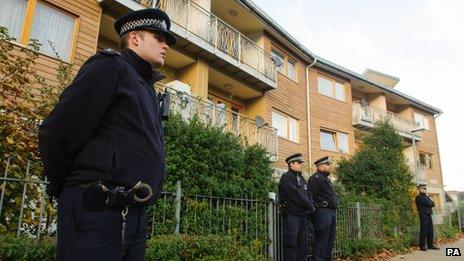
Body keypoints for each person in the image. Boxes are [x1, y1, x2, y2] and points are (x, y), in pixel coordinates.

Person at [38, 8, 176, 260]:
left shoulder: (145, 88)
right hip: (96, 211)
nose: (166, 45)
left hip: (133, 216)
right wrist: (67, 188)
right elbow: (57, 131)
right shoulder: (110, 67)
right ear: (135, 38)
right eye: (159, 38)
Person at [279, 153, 315, 261]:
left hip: (303, 216)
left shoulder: (302, 178)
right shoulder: (286, 177)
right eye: (298, 163)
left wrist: (311, 204)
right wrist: (309, 205)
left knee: (302, 245)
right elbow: (295, 194)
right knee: (291, 245)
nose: (300, 165)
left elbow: (309, 194)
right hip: (292, 216)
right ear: (291, 165)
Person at [307, 156, 338, 261]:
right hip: (322, 212)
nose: (329, 166)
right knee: (321, 242)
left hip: (330, 212)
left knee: (329, 241)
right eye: (327, 164)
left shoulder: (325, 179)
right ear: (320, 166)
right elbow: (310, 197)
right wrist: (316, 213)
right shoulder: (316, 178)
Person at [415, 184, 439, 251]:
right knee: (424, 230)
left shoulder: (426, 197)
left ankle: (430, 245)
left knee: (430, 230)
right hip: (423, 215)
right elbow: (429, 204)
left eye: (425, 188)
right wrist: (430, 203)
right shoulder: (419, 197)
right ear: (420, 189)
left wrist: (430, 203)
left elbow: (433, 203)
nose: (425, 189)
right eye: (424, 188)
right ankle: (422, 246)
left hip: (428, 215)